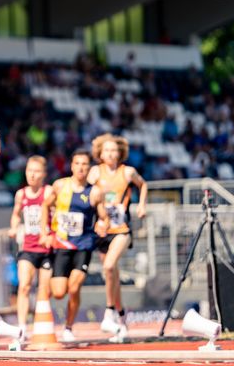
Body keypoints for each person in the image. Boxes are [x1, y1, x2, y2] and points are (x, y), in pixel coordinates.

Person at [41, 149, 109, 342]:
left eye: (85, 164)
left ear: (89, 168)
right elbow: (46, 205)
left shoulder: (95, 192)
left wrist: (102, 225)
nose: (81, 167)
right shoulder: (60, 186)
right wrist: (45, 230)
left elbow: (103, 217)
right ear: (72, 166)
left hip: (84, 245)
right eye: (77, 163)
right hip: (62, 245)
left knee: (74, 287)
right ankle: (65, 322)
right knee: (59, 292)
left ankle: (69, 327)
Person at [87, 133, 147, 340]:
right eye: (107, 150)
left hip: (122, 229)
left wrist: (141, 205)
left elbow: (143, 185)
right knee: (112, 275)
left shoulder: (128, 172)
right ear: (100, 154)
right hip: (103, 230)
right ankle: (122, 318)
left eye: (114, 150)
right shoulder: (95, 172)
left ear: (120, 153)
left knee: (109, 266)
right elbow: (86, 193)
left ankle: (109, 311)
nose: (111, 154)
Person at [8, 155, 53, 338]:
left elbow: (58, 215)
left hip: (47, 248)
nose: (32, 175)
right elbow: (16, 214)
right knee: (24, 286)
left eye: (36, 171)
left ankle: (41, 325)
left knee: (44, 289)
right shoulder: (21, 194)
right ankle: (21, 327)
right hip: (27, 246)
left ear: (43, 174)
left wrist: (49, 233)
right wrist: (13, 227)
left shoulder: (49, 192)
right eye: (29, 170)